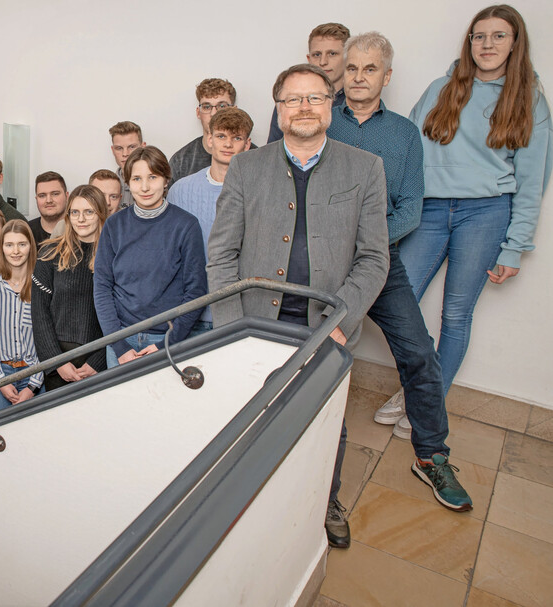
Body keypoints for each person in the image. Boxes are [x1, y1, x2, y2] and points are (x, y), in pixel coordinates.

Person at [207, 64, 390, 550]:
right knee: (250, 418)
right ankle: (249, 503)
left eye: (314, 98)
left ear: (330, 105)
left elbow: (374, 258)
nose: (304, 107)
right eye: (293, 100)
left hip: (326, 328)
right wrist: (234, 327)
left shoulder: (365, 168)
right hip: (256, 324)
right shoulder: (247, 167)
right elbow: (222, 253)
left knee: (327, 423)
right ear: (279, 109)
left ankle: (324, 499)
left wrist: (339, 320)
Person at [325, 31, 473, 514]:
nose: (360, 77)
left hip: (378, 264)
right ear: (342, 74)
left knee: (419, 355)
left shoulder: (405, 134)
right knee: (314, 356)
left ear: (387, 77)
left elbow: (411, 206)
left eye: (370, 69)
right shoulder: (320, 121)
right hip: (323, 266)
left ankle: (431, 457)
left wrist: (366, 245)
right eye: (352, 68)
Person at [400, 6, 551, 424]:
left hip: (486, 214)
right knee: (398, 302)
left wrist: (514, 247)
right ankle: (420, 384)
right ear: (469, 43)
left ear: (515, 44)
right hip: (428, 210)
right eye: (479, 36)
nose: (487, 45)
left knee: (456, 315)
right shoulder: (439, 89)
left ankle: (424, 407)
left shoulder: (529, 101)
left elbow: (532, 181)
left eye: (499, 36)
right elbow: (409, 153)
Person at [94, 146, 207, 368]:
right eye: (136, 178)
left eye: (152, 177)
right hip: (120, 339)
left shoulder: (185, 225)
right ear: (127, 182)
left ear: (166, 180)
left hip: (165, 341)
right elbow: (102, 287)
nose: (144, 187)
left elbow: (196, 291)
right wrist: (119, 346)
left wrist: (169, 342)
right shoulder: (114, 225)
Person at [169, 107, 255, 335]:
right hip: (188, 312)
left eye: (236, 138)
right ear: (209, 140)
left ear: (247, 145)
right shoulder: (181, 190)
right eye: (221, 136)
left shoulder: (258, 192)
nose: (228, 144)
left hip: (238, 311)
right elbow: (170, 253)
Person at [33, 185, 109, 391]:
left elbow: (121, 314)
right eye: (75, 212)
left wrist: (98, 361)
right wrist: (56, 362)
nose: (81, 219)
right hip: (58, 361)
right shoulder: (49, 253)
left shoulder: (113, 255)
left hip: (99, 357)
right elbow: (40, 315)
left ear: (101, 213)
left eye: (88, 212)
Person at [0, 221, 44, 414]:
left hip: (34, 372)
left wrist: (33, 386)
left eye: (22, 244)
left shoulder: (41, 283)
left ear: (31, 246)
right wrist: (1, 381)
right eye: (9, 245)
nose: (15, 251)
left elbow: (47, 337)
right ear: (2, 248)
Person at [266, 23, 350, 144]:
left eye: (332, 54)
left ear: (347, 58)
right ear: (309, 58)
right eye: (317, 54)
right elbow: (273, 150)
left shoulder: (355, 101)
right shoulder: (289, 101)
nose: (323, 62)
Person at [169, 78, 259, 184]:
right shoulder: (181, 161)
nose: (214, 113)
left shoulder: (257, 157)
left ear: (234, 110)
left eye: (222, 106)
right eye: (207, 107)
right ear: (198, 113)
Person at [107, 121, 145, 209]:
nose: (125, 154)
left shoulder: (156, 183)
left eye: (132, 147)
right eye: (119, 148)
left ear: (143, 147)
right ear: (113, 150)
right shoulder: (104, 186)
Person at [29, 171, 68, 246]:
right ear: (36, 199)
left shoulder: (79, 229)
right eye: (42, 196)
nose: (49, 200)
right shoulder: (27, 231)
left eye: (55, 194)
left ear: (67, 196)